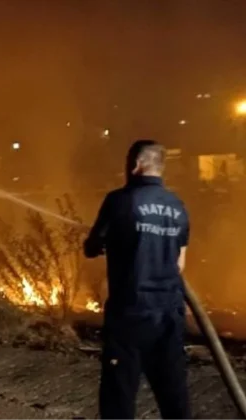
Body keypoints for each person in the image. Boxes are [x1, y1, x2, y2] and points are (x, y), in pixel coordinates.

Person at [84, 139, 191, 420]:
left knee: (119, 394)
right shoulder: (178, 207)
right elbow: (179, 264)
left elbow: (91, 247)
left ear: (134, 165)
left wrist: (104, 242)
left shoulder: (119, 200)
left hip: (129, 314)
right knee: (173, 394)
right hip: (169, 313)